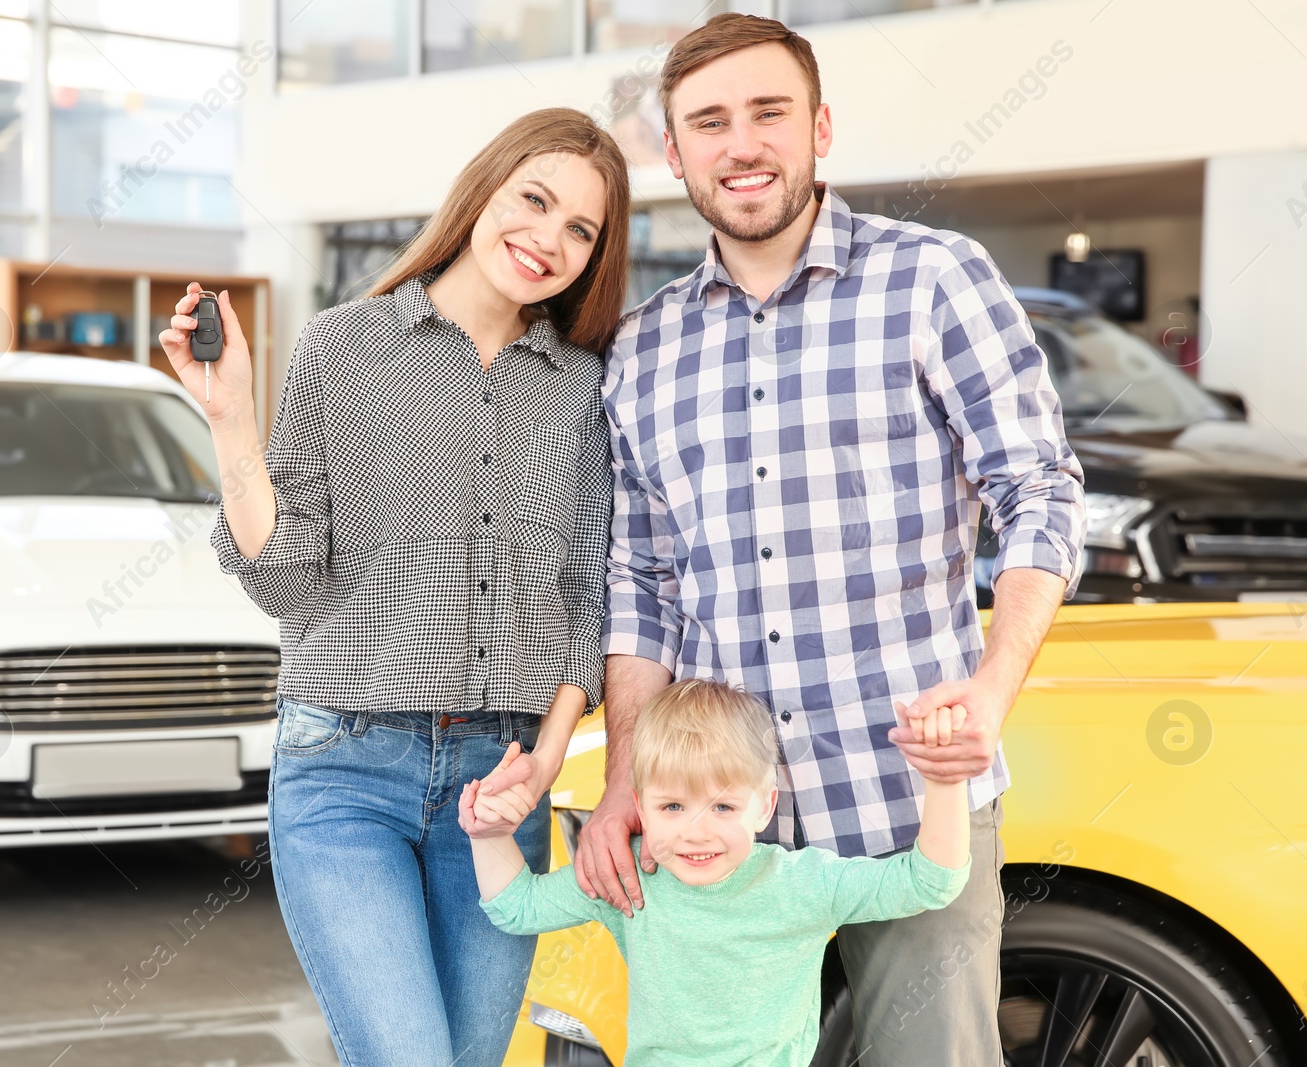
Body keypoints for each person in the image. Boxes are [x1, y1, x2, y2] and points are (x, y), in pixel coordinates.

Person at [575, 14, 1088, 1066]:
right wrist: (629, 770)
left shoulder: (934, 279)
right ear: (673, 153)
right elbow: (641, 578)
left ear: (819, 127)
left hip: (906, 799)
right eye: (707, 122)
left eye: (767, 112)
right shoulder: (645, 346)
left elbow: (1036, 487)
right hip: (717, 823)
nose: (741, 144)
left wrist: (991, 685)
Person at [159, 107, 630, 1067]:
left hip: (501, 784)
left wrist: (542, 763)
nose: (549, 239)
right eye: (534, 201)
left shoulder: (582, 387)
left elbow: (585, 591)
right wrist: (231, 418)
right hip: (345, 768)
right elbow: (285, 579)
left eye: (581, 229)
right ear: (482, 192)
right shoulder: (343, 347)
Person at [460, 678, 972, 1067]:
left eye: (724, 808)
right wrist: (489, 835)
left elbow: (931, 880)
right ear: (639, 805)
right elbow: (515, 907)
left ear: (765, 807)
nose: (695, 833)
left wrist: (945, 782)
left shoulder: (804, 883)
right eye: (673, 807)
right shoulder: (632, 878)